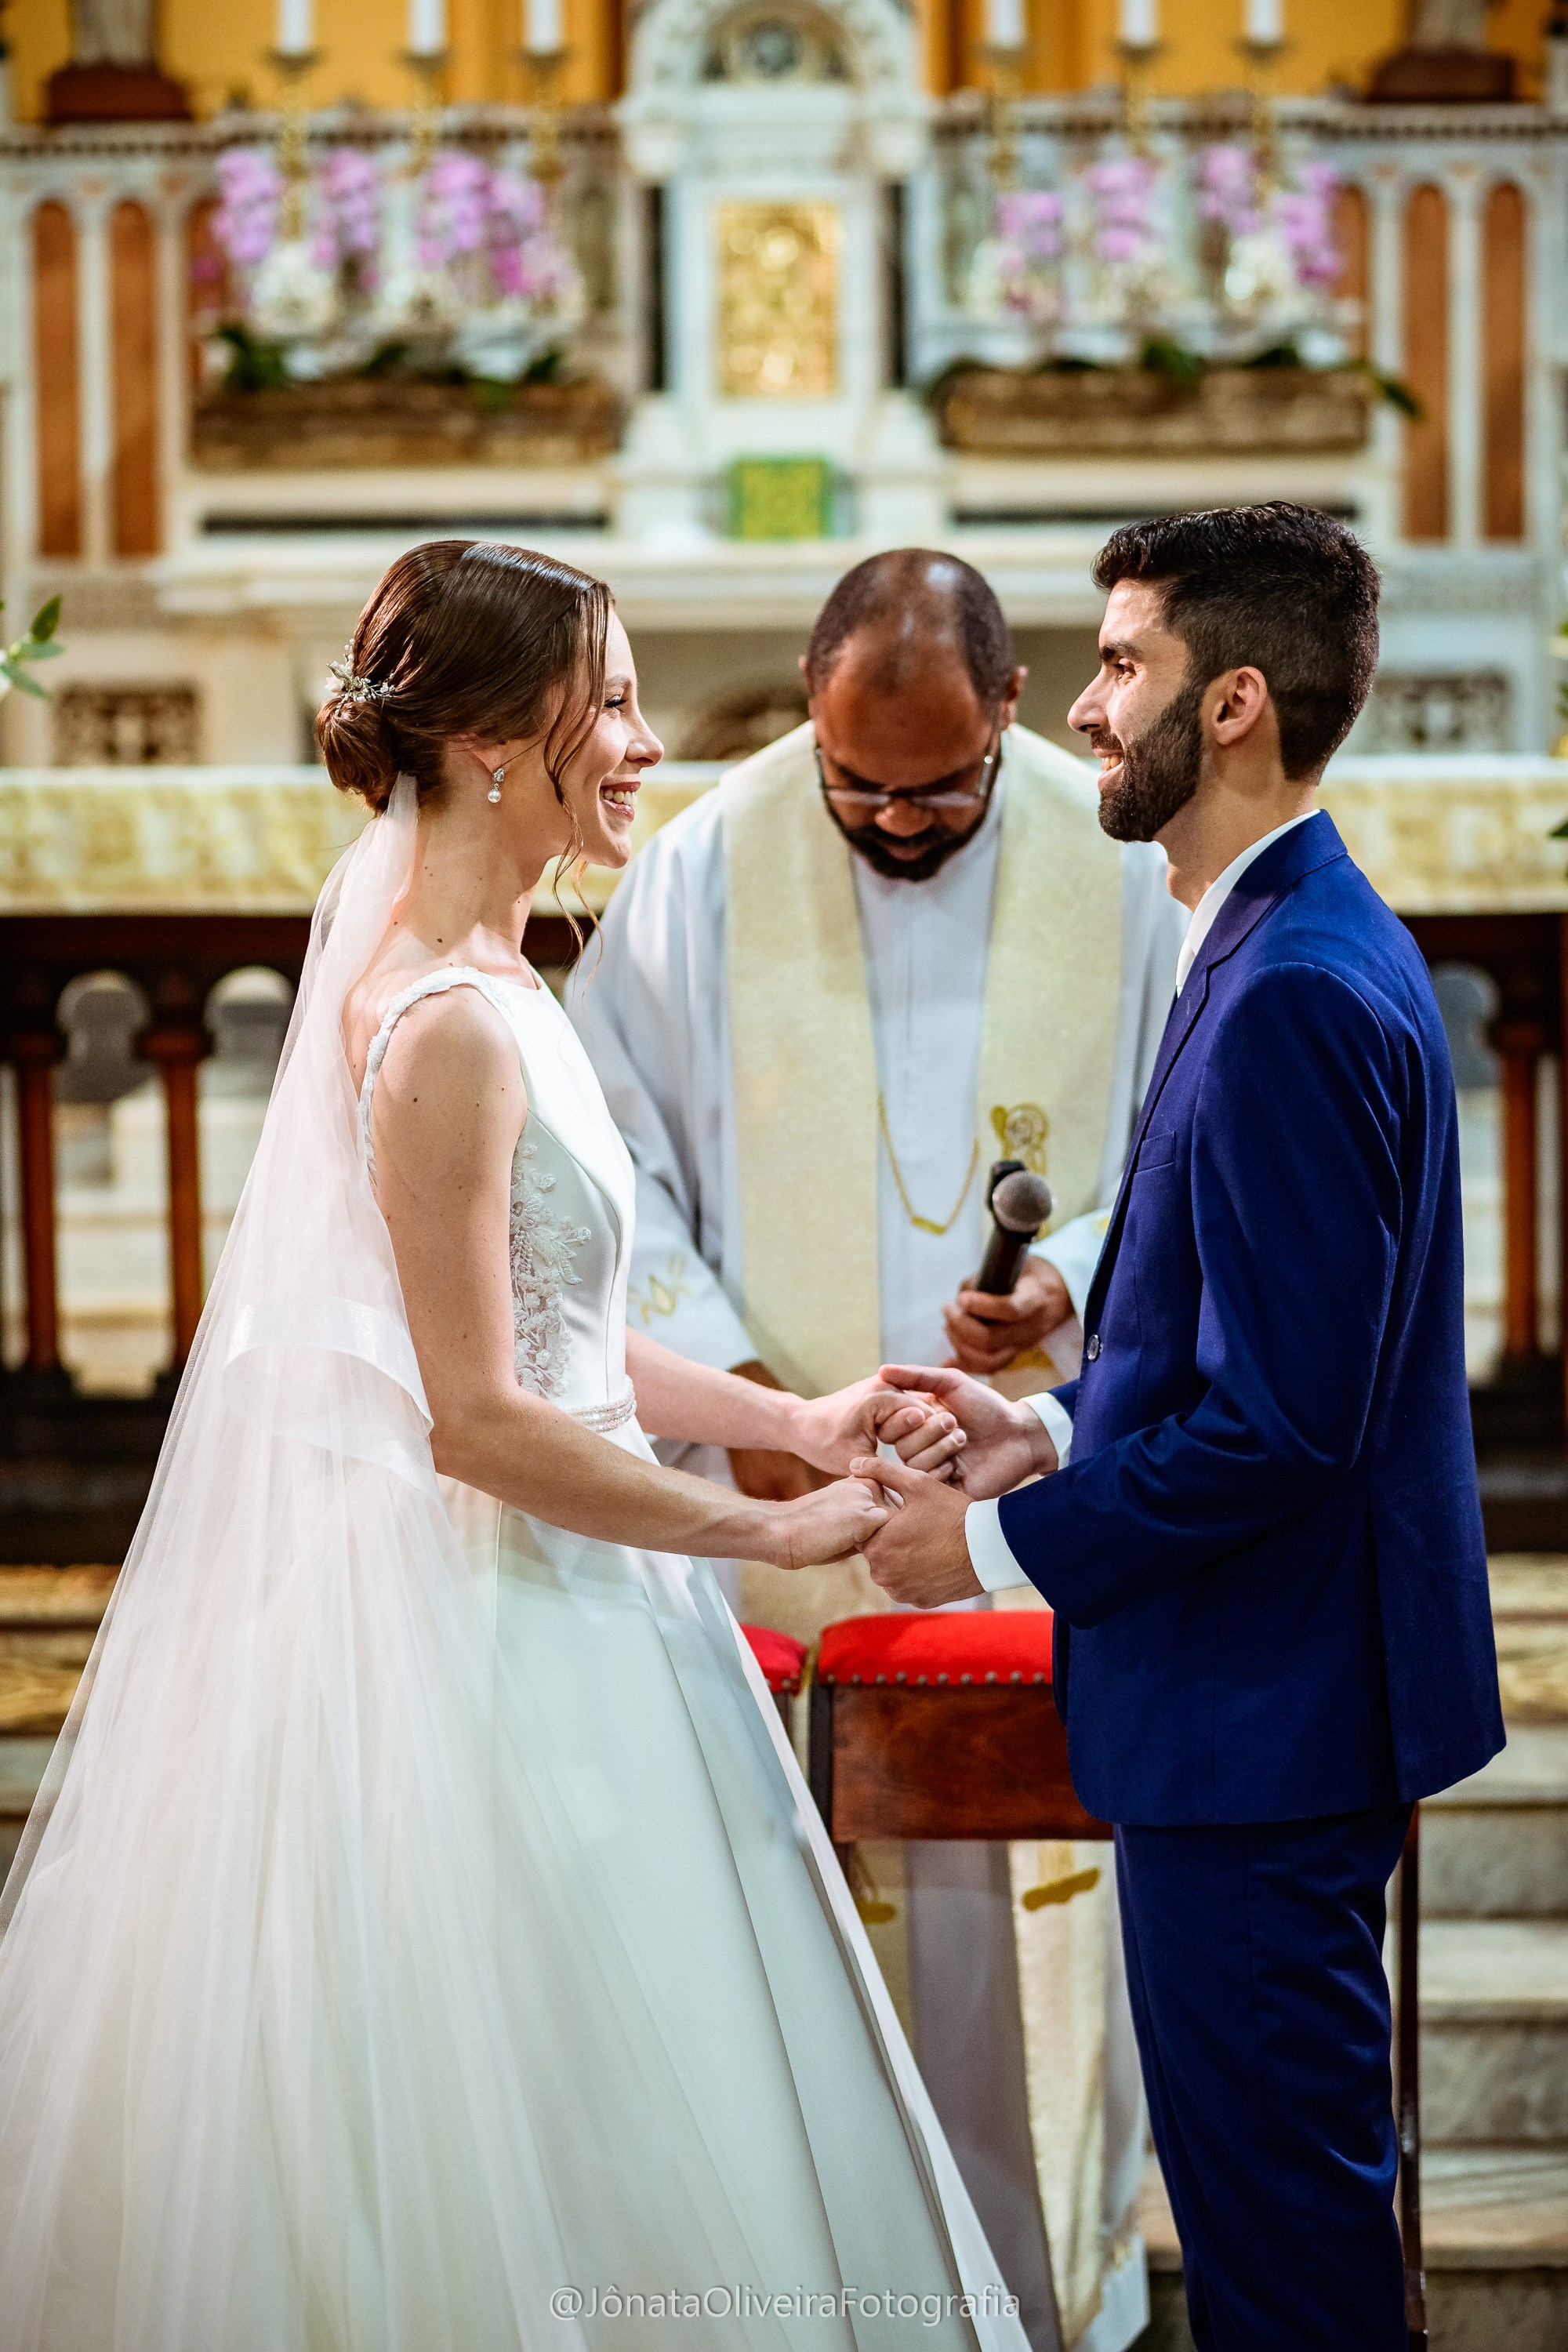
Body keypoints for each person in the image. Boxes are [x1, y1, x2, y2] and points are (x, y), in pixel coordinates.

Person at [0, 539, 1035, 2352]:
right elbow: (475, 1419)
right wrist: (765, 1534)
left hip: (594, 1597)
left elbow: (553, 1326)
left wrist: (788, 1419)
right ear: (491, 745)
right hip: (503, 1630)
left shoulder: (499, 975)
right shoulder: (449, 1028)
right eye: (611, 704)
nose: (646, 742)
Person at [857, 503, 1508, 2351]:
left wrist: (986, 1546)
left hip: (1260, 1724)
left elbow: (1289, 1426)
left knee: (1284, 2256)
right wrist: (1049, 1434)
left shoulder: (1290, 985)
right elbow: (1250, 1343)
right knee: (1269, 2224)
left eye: (1120, 663)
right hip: (1262, 1702)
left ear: (1230, 705)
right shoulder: (1269, 933)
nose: (1080, 708)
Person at [568, 550, 1184, 2352]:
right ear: (809, 707)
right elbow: (609, 1158)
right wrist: (742, 1389)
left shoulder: (1127, 868)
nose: (898, 819)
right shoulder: (703, 866)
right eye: (860, 785)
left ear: (1009, 709)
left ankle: (1031, 2292)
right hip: (773, 1505)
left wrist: (1068, 1278)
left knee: (1023, 1930)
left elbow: (1190, 1142)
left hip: (1027, 1492)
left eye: (940, 787)